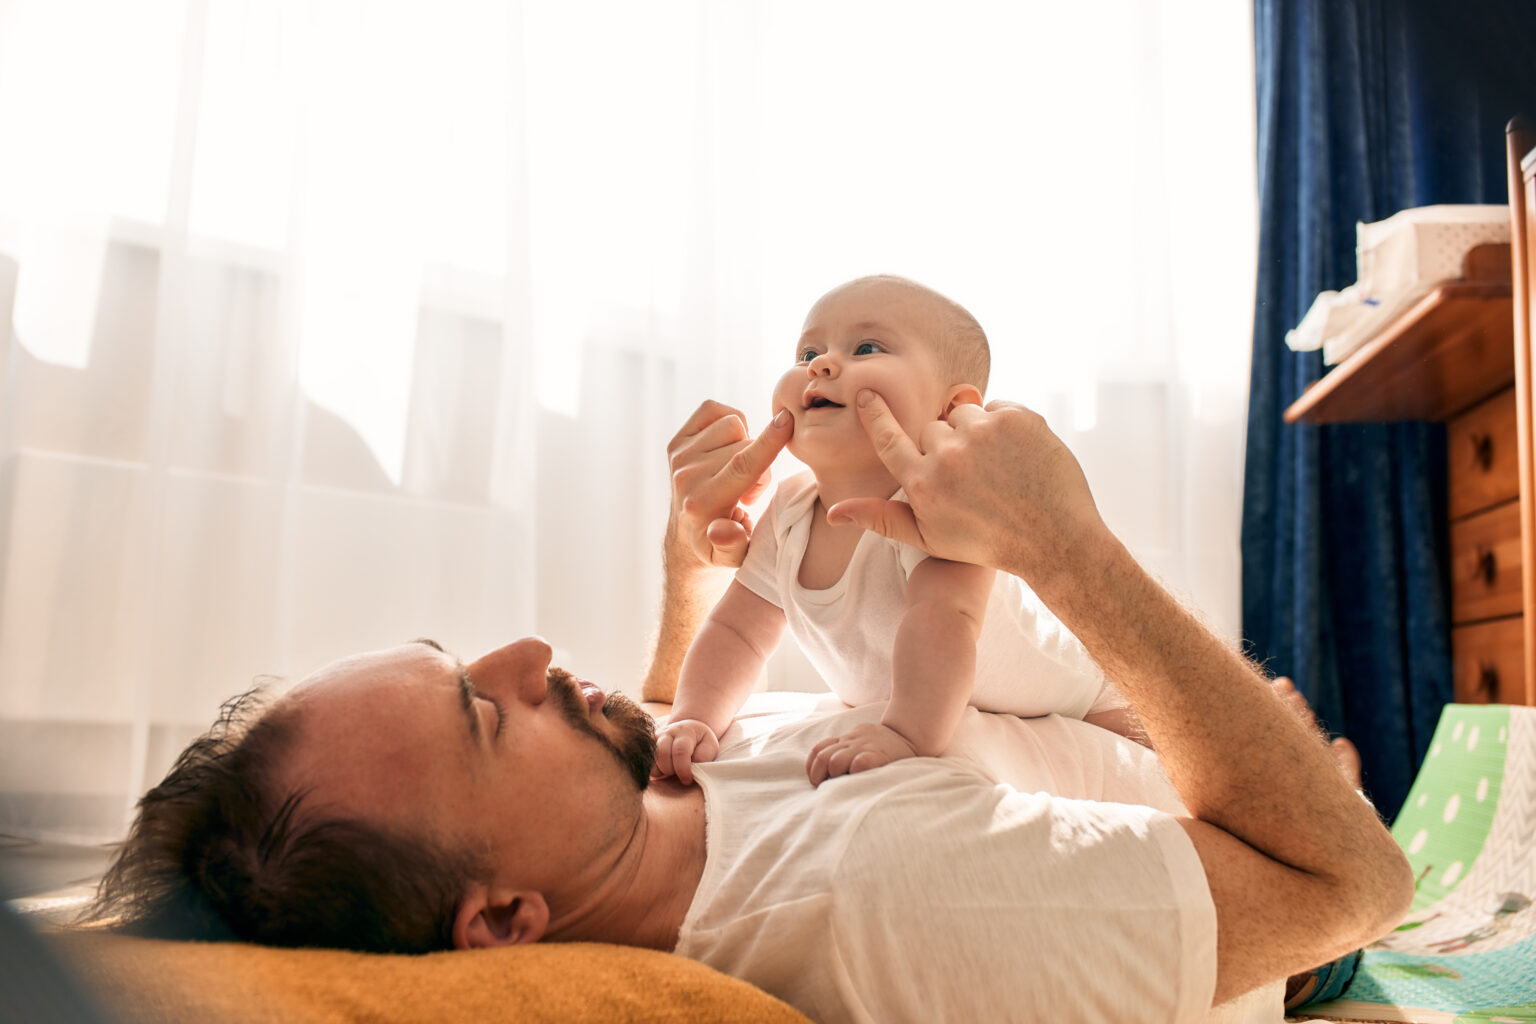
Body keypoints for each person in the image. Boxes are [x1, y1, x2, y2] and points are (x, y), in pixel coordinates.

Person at [86, 391, 1414, 1022]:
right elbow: (1355, 884)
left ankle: (1294, 742)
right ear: (502, 920)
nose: (534, 654)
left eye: (466, 658)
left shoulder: (654, 801)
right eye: (489, 715)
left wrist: (694, 566)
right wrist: (1065, 548)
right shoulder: (892, 898)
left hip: (1123, 767)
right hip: (1291, 928)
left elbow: (673, 703)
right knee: (1320, 779)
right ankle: (1310, 753)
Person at [653, 276, 1133, 789]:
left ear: (951, 410)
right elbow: (737, 633)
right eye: (806, 352)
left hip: (1085, 695)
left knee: (1153, 763)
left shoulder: (946, 513)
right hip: (966, 696)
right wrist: (695, 716)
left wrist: (906, 733)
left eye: (865, 348)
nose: (821, 365)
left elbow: (942, 621)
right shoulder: (790, 510)